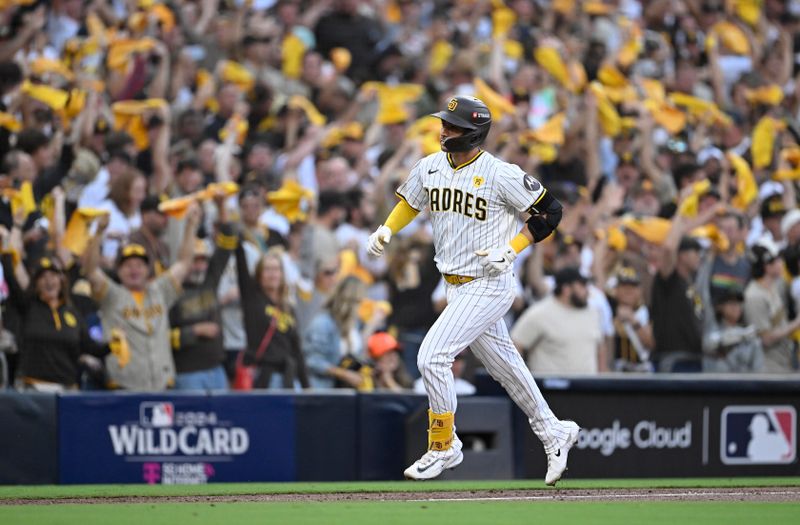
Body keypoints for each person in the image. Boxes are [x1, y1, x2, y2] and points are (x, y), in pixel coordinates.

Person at [367, 95, 579, 485]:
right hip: (454, 286)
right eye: (445, 123)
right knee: (507, 370)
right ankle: (554, 431)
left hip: (489, 283)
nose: (443, 130)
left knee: (432, 357)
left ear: (473, 132)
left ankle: (444, 444)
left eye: (452, 126)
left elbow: (551, 212)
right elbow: (410, 203)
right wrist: (387, 228)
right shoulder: (430, 166)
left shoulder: (501, 174)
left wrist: (512, 249)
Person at [83, 204, 201, 390]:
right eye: (128, 265)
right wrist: (98, 233)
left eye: (139, 265)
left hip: (162, 384)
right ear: (119, 271)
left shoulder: (159, 290)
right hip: (125, 385)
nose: (134, 270)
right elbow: (90, 270)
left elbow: (184, 263)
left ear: (148, 269)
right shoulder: (112, 294)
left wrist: (190, 226)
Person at [235, 245, 309, 390]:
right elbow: (241, 267)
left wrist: (307, 386)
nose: (272, 274)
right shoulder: (253, 300)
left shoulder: (288, 308)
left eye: (276, 269)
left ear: (282, 274)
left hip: (288, 377)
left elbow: (297, 350)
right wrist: (236, 236)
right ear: (259, 275)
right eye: (267, 269)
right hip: (265, 377)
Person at [511, 267, 606, 375]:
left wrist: (602, 381)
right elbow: (516, 344)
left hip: (588, 388)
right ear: (566, 289)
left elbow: (600, 348)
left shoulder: (592, 312)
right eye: (582, 285)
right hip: (551, 389)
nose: (588, 291)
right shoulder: (540, 313)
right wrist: (522, 379)